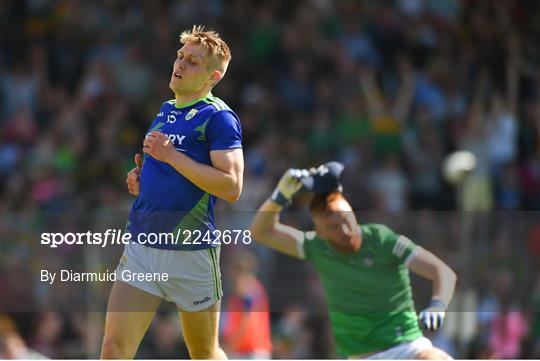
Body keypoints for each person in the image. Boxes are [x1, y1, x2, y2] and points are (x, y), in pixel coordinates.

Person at [101, 25, 244, 359]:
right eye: (180, 56)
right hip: (143, 247)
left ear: (214, 76)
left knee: (204, 353)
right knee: (113, 348)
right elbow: (168, 168)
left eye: (192, 61)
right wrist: (141, 178)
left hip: (191, 253)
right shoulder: (165, 111)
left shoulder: (219, 117)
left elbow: (232, 186)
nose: (179, 64)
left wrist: (171, 156)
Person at [250, 162, 457, 359]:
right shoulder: (316, 247)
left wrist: (437, 305)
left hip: (407, 348)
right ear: (320, 232)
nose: (345, 230)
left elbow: (442, 272)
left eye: (346, 218)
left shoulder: (381, 239)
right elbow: (261, 232)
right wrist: (280, 196)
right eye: (334, 227)